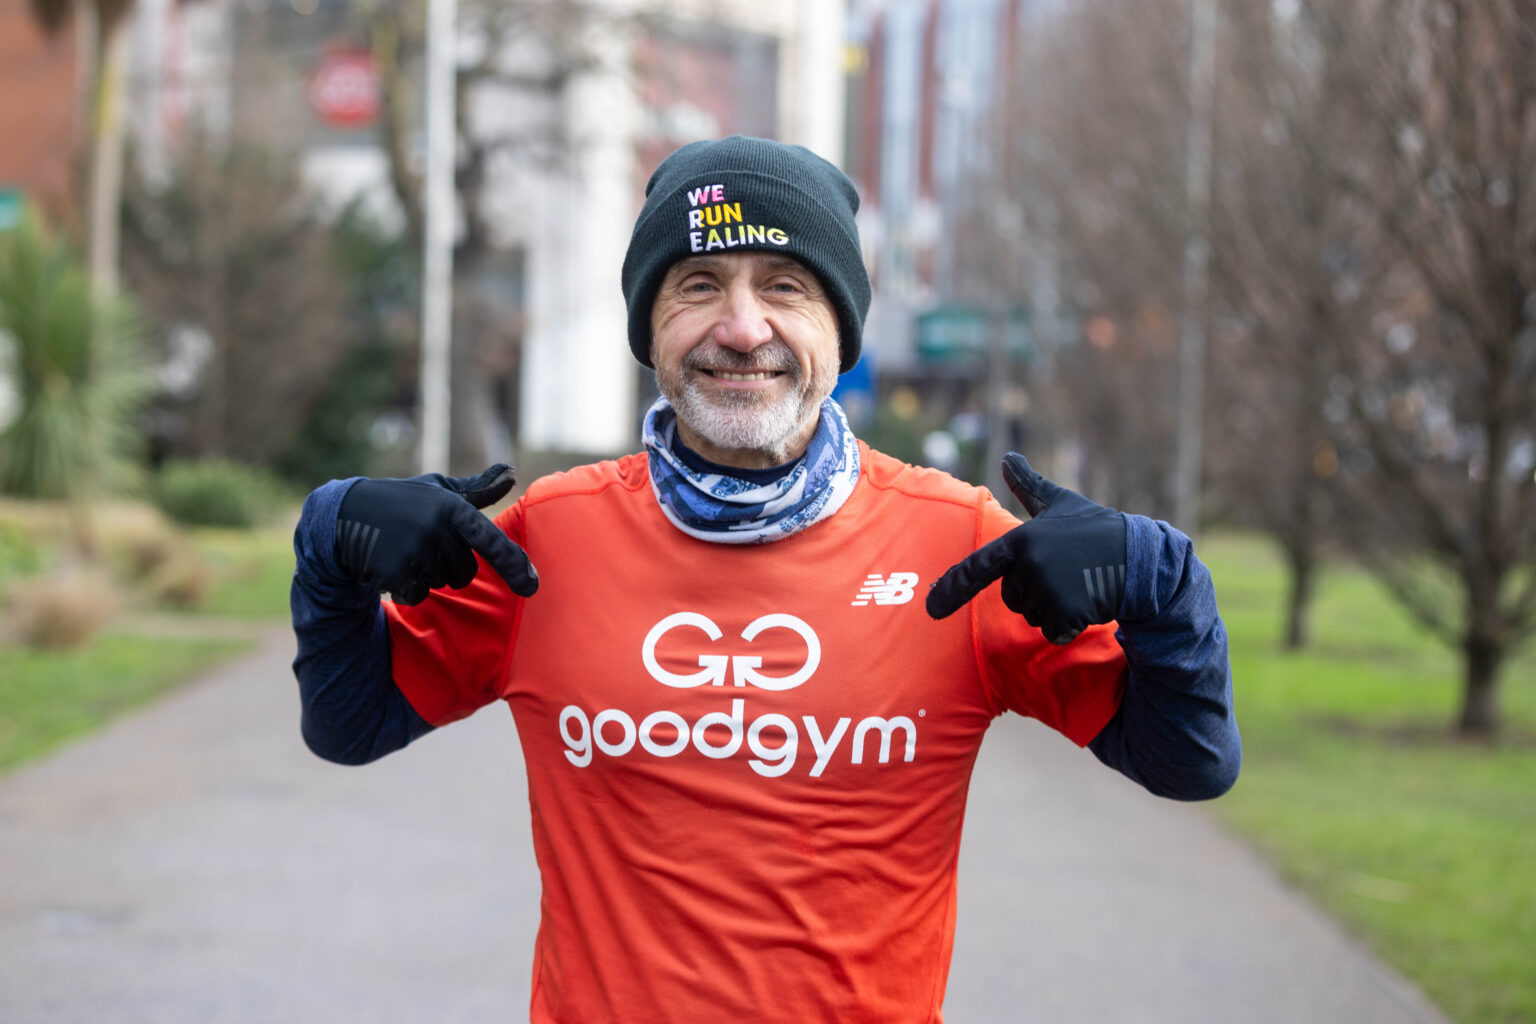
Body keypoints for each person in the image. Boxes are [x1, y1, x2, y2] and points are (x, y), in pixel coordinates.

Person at [290, 135, 1240, 1024]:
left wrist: (1166, 587)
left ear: (841, 325)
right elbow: (351, 723)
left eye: (786, 285)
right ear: (649, 325)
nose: (742, 329)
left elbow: (1188, 761)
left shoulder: (959, 544)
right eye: (698, 284)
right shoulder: (549, 535)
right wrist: (332, 549)